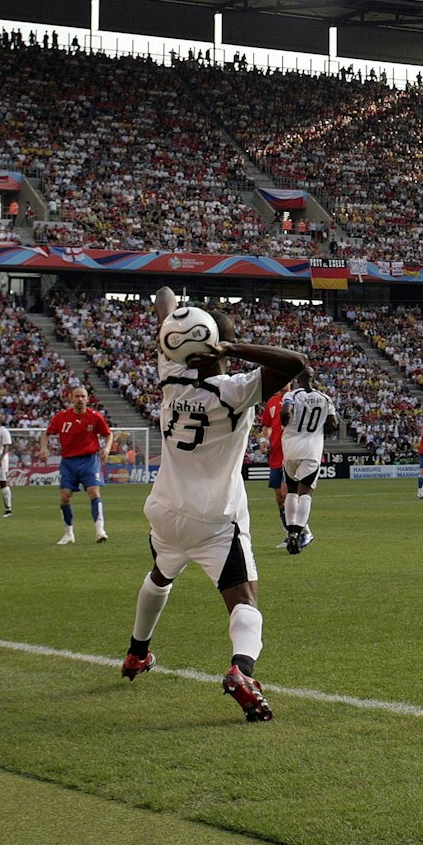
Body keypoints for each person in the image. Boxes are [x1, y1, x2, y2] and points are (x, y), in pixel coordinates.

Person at [121, 289, 307, 724]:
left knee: (161, 574)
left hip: (165, 507)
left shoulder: (171, 375)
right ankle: (242, 672)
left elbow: (163, 296)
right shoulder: (235, 390)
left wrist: (177, 324)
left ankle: (136, 654)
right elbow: (296, 362)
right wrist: (230, 347)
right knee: (245, 600)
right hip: (214, 516)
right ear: (216, 344)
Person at [41, 385, 114, 545]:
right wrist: (43, 447)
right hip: (68, 462)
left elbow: (108, 434)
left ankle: (100, 530)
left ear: (87, 399)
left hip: (89, 461)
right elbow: (46, 433)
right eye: (77, 396)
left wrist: (107, 448)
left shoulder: (95, 417)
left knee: (93, 492)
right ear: (71, 398)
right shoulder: (61, 417)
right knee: (65, 497)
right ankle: (69, 534)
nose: (80, 399)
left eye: (83, 396)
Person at [279, 372, 340, 554]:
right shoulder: (325, 398)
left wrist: (287, 424)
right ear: (314, 380)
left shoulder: (292, 395)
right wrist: (318, 428)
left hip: (290, 447)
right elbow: (333, 423)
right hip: (311, 449)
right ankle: (298, 533)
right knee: (305, 491)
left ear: (297, 379)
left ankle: (290, 531)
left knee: (291, 489)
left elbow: (285, 413)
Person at [258, 389, 291, 549]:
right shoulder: (271, 401)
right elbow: (267, 425)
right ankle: (289, 535)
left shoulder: (296, 399)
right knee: (279, 498)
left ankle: (301, 532)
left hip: (291, 454)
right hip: (276, 455)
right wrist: (264, 440)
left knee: (287, 495)